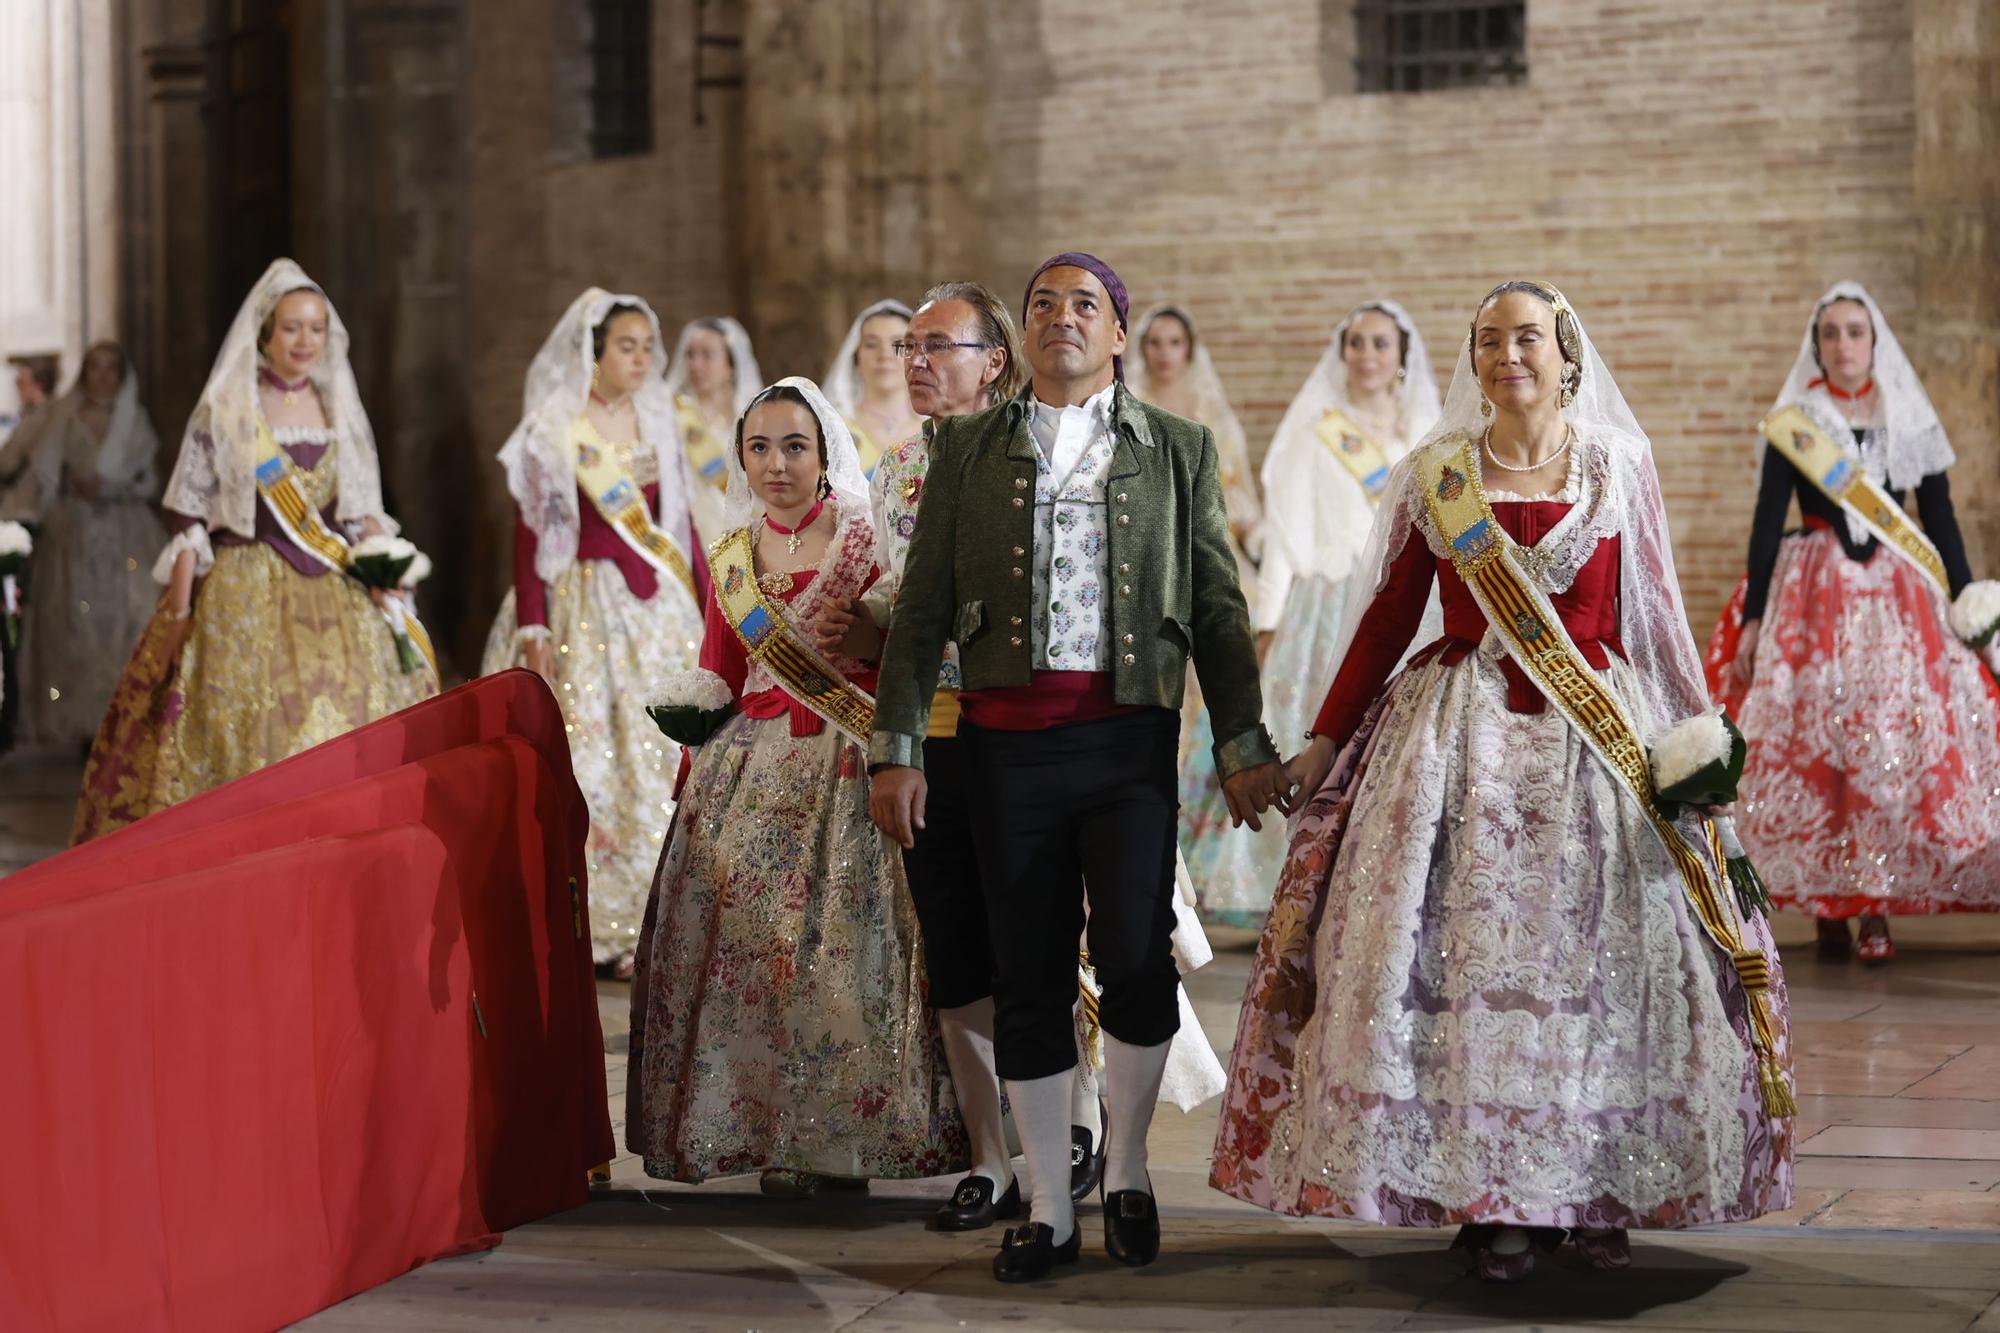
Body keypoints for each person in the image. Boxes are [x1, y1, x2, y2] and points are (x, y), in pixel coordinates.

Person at [1212, 281, 1794, 1282]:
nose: (1505, 354)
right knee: (1468, 965)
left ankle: (1596, 1188)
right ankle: (1486, 1197)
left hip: (1596, 753)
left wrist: (1695, 757)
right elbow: (1391, 617)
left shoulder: (1619, 465)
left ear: (1566, 354)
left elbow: (1651, 618)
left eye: (1525, 337)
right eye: (1486, 340)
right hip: (1457, 751)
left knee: (1603, 972)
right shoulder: (1436, 472)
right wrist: (1320, 739)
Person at [870, 252, 1286, 1282]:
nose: (1062, 316)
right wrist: (896, 746)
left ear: (1117, 335)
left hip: (1127, 743)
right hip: (1006, 747)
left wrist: (1240, 741)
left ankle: (1131, 1165)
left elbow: (1218, 607)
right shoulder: (965, 447)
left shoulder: (1176, 448)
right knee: (1028, 974)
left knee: (1138, 960)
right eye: (1043, 303)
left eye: (1083, 304)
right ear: (1024, 334)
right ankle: (1050, 1206)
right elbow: (920, 607)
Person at [624, 377, 966, 1195]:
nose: (776, 464)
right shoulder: (732, 555)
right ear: (741, 457)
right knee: (753, 958)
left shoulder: (867, 538)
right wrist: (688, 769)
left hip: (850, 768)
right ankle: (764, 1130)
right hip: (747, 771)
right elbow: (717, 669)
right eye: (759, 448)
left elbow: (908, 658)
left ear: (824, 454)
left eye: (794, 446)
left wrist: (877, 638)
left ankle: (843, 1137)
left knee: (847, 961)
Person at [72, 259, 437, 840]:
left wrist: (387, 567)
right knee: (247, 728)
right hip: (245, 586)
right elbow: (189, 510)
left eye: (316, 328)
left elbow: (361, 509)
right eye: (292, 327)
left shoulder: (338, 406)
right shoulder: (229, 407)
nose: (305, 341)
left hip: (331, 583)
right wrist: (180, 611)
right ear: (265, 331)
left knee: (346, 723)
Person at [1705, 283, 2000, 961]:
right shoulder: (1795, 420)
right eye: (1831, 333)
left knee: (1887, 739)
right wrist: (1753, 618)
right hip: (1815, 591)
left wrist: (1963, 598)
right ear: (1818, 346)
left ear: (1875, 341)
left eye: (1855, 332)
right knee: (1820, 743)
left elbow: (1941, 517)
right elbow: (1765, 517)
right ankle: (1825, 902)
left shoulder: (1908, 415)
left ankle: (1874, 902)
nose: (1843, 344)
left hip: (1897, 596)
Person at [481, 289, 708, 974]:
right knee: (592, 754)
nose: (641, 359)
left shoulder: (658, 414)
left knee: (658, 755)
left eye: (648, 346)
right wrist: (532, 621)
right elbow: (531, 533)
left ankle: (658, 917)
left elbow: (681, 525)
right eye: (627, 346)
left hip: (656, 608)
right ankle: (594, 919)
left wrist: (705, 603)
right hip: (581, 599)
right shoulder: (556, 423)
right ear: (594, 351)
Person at [1125, 304, 1278, 924]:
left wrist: (1239, 521)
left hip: (1203, 554)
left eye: (1174, 342)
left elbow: (1235, 484)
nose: (1164, 352)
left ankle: (1204, 851)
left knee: (1211, 688)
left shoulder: (1208, 408)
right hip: (1146, 559)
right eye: (1154, 341)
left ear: (1190, 349)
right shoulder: (1125, 401)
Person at [13, 342, 169, 751]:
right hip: (76, 532)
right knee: (75, 623)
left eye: (111, 368)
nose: (103, 376)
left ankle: (125, 718)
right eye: (95, 367)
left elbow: (152, 482)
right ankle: (83, 723)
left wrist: (115, 486)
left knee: (128, 619)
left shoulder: (133, 421)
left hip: (125, 530)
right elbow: (43, 471)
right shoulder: (65, 416)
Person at [0, 355, 59, 752]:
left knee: (20, 623)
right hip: (17, 522)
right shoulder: (29, 417)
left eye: (21, 379)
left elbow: (12, 465)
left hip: (27, 524)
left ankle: (20, 716)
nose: (16, 385)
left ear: (36, 381)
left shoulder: (45, 419)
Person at [665, 317, 763, 547]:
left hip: (746, 527)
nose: (696, 365)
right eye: (691, 355)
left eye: (707, 355)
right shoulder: (674, 413)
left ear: (731, 363)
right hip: (691, 530)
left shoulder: (752, 415)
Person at [822, 298, 921, 478]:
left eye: (898, 344)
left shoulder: (935, 430)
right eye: (871, 344)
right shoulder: (835, 429)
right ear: (855, 358)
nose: (884, 355)